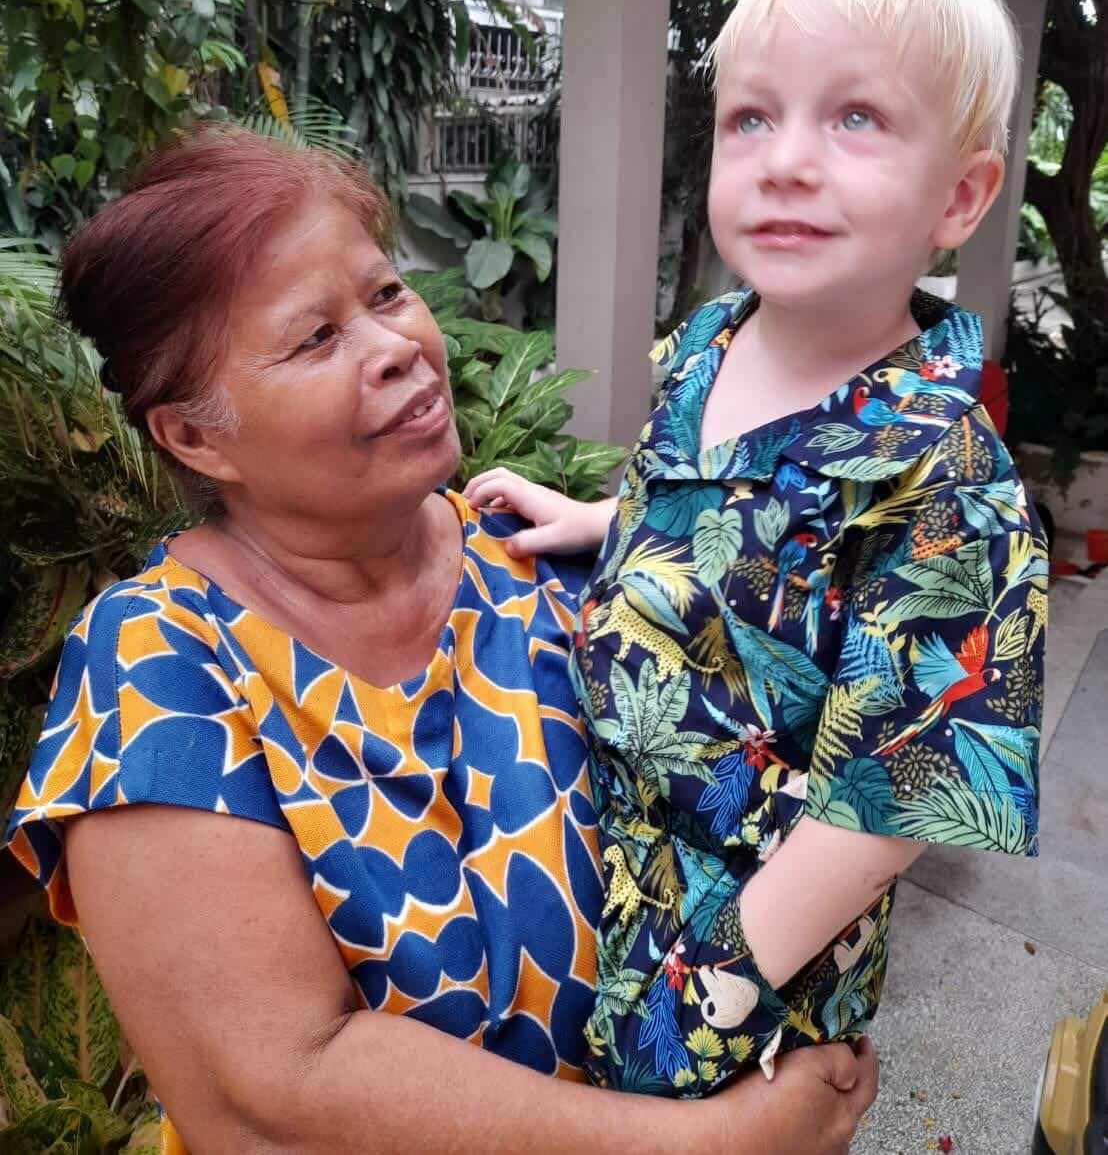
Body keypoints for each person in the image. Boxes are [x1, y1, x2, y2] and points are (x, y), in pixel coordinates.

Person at [4, 128, 878, 1154]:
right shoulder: (161, 666)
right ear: (194, 435)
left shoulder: (536, 554)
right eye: (315, 337)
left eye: (382, 294)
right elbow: (275, 1092)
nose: (396, 348)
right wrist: (705, 1144)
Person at [464, 0, 1048, 1096]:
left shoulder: (945, 478)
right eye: (751, 119)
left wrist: (708, 990)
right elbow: (697, 495)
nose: (784, 162)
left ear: (961, 196)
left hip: (742, 959)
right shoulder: (707, 342)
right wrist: (597, 515)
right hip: (600, 857)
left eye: (855, 119)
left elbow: (903, 791)